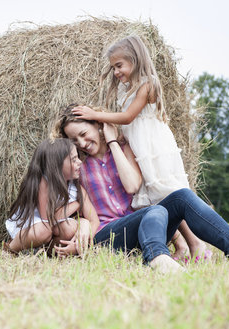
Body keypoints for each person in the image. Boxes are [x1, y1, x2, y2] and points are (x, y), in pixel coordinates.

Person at [51, 104, 229, 273]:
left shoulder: (124, 148)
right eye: (74, 139)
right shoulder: (76, 165)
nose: (80, 142)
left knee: (181, 197)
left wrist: (112, 142)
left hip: (145, 228)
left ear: (99, 125)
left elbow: (132, 185)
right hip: (108, 236)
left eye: (83, 133)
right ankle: (157, 258)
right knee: (155, 210)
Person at [71, 35, 207, 262]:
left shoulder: (147, 83)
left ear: (135, 60)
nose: (116, 71)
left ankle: (196, 244)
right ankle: (181, 245)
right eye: (113, 67)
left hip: (153, 148)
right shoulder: (128, 88)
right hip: (139, 148)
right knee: (155, 199)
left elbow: (127, 117)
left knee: (168, 194)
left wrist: (95, 115)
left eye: (119, 65)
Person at [5, 138, 99, 256]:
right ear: (56, 165)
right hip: (35, 227)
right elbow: (50, 220)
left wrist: (84, 232)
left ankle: (49, 252)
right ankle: (10, 249)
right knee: (44, 231)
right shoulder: (43, 183)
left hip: (51, 232)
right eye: (74, 159)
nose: (80, 162)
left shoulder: (77, 189)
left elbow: (94, 220)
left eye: (78, 157)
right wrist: (77, 204)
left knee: (69, 228)